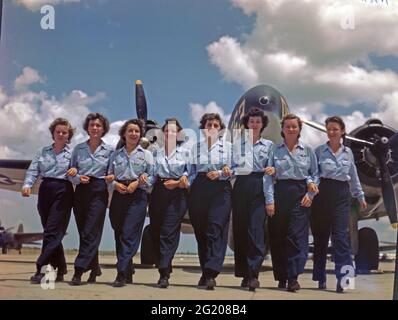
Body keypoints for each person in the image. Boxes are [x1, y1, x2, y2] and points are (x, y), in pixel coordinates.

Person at [311, 116, 367, 293]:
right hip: (321, 194)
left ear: (342, 131)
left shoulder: (348, 153)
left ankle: (344, 280)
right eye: (329, 129)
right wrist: (310, 193)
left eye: (335, 129)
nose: (331, 132)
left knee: (341, 238)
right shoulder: (319, 151)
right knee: (320, 239)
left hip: (342, 195)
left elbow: (354, 176)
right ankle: (320, 279)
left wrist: (360, 195)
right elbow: (313, 175)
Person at [268, 113, 319, 292]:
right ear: (282, 129)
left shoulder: (308, 150)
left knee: (296, 237)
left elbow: (314, 174)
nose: (291, 129)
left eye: (294, 126)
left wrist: (310, 194)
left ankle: (293, 277)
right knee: (278, 236)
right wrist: (269, 201)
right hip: (280, 192)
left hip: (300, 195)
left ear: (299, 129)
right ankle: (281, 277)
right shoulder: (274, 150)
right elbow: (268, 177)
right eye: (287, 126)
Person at [22, 118, 76, 283]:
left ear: (69, 135)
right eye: (57, 131)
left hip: (64, 191)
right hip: (45, 190)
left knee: (52, 231)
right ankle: (62, 267)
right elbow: (33, 170)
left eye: (64, 132)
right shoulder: (42, 152)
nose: (60, 134)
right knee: (51, 231)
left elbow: (81, 174)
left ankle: (41, 268)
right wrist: (27, 185)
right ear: (53, 133)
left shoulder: (74, 154)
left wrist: (76, 172)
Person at [230, 107, 275, 291]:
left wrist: (269, 199)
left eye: (258, 121)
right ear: (246, 124)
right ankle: (243, 274)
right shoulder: (237, 145)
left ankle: (253, 275)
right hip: (241, 184)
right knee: (240, 231)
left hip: (259, 185)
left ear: (262, 124)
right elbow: (232, 168)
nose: (255, 124)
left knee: (255, 231)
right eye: (251, 121)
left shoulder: (269, 146)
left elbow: (270, 172)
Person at [108, 119, 154, 287]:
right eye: (130, 131)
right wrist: (115, 184)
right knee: (119, 233)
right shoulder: (115, 155)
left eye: (137, 131)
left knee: (129, 234)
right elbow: (109, 176)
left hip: (138, 196)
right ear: (124, 134)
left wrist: (139, 182)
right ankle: (127, 270)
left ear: (141, 135)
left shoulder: (147, 155)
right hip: (119, 195)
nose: (134, 134)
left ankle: (120, 273)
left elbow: (152, 177)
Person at [69, 113, 114, 285]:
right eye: (92, 125)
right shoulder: (78, 149)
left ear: (103, 129)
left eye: (98, 126)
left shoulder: (110, 151)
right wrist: (77, 178)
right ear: (87, 128)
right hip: (81, 190)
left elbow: (111, 174)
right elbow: (71, 172)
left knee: (90, 231)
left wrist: (111, 181)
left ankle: (79, 270)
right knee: (84, 232)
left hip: (99, 191)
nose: (95, 128)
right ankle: (94, 268)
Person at [188, 113, 232, 290]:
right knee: (201, 232)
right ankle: (205, 272)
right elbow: (190, 171)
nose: (212, 128)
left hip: (220, 189)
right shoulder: (195, 149)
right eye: (208, 125)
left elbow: (236, 168)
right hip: (199, 187)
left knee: (215, 228)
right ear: (203, 129)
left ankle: (211, 272)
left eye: (215, 125)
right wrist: (186, 181)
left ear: (220, 129)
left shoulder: (229, 148)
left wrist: (222, 173)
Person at [149, 118, 190, 288]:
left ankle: (164, 272)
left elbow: (189, 174)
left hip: (177, 193)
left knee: (168, 232)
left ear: (178, 134)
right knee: (156, 232)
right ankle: (165, 264)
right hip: (158, 192)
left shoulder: (187, 153)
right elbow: (151, 175)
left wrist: (180, 182)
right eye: (166, 131)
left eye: (173, 131)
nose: (169, 133)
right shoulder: (154, 153)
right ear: (162, 134)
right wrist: (141, 181)